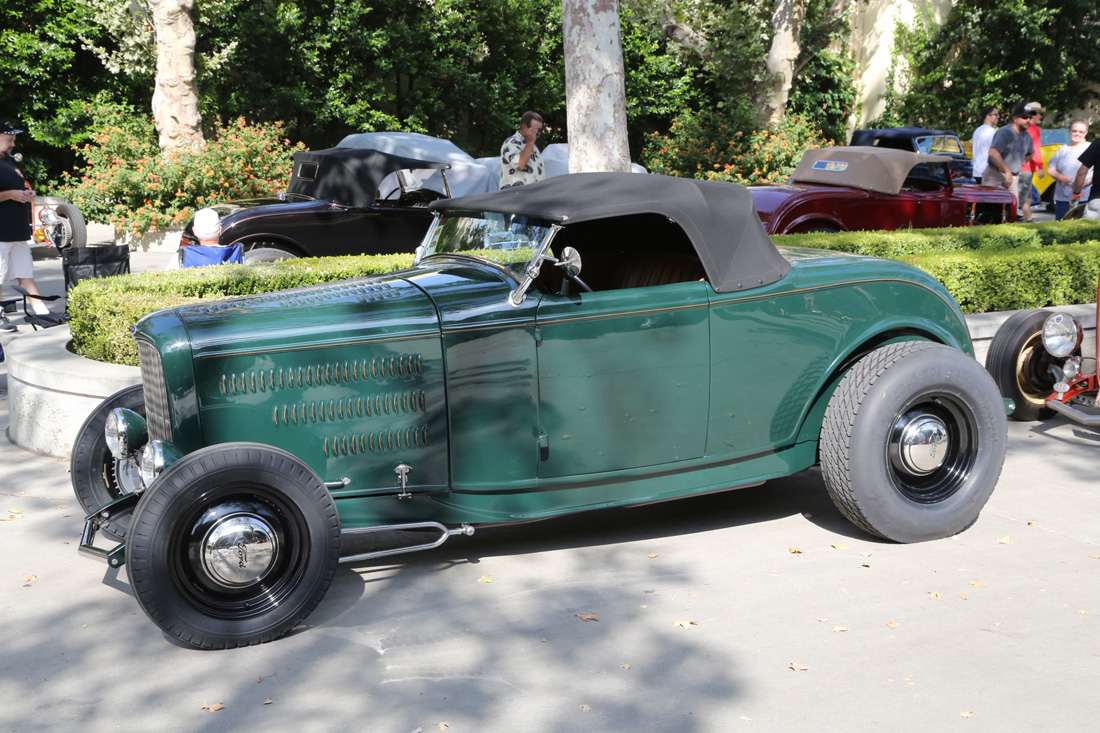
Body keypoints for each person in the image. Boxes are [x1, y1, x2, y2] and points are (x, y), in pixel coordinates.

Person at [0, 120, 49, 333]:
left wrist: (28, 193)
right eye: (9, 139)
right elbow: (8, 192)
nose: (13, 144)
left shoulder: (10, 161)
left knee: (25, 272)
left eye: (13, 140)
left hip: (17, 231)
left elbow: (18, 186)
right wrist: (10, 195)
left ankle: (42, 312)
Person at [982, 104, 1035, 210]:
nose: (1028, 120)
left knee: (1011, 211)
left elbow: (1031, 153)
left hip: (1013, 178)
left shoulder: (1027, 137)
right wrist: (1007, 170)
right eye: (1025, 117)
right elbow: (993, 153)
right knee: (990, 210)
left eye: (1030, 117)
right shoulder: (1005, 132)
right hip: (995, 175)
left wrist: (1021, 163)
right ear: (1015, 118)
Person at [1046, 119, 1092, 220]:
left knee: (1083, 228)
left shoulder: (1090, 147)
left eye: (1081, 132)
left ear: (1086, 133)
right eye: (1074, 131)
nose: (1077, 134)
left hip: (1085, 196)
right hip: (1063, 196)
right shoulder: (1063, 149)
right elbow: (1050, 169)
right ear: (1069, 131)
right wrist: (1061, 178)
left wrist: (1089, 179)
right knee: (1062, 225)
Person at [500, 111, 545, 189]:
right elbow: (520, 165)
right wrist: (531, 142)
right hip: (515, 196)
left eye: (541, 130)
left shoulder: (532, 145)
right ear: (524, 128)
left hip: (533, 194)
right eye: (536, 130)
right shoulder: (511, 143)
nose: (539, 133)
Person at [1018, 102, 1046, 222]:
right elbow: (1034, 150)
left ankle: (1027, 220)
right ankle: (1029, 222)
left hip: (1021, 166)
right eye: (1039, 114)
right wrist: (1041, 167)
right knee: (1023, 197)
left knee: (1026, 197)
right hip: (1026, 168)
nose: (1041, 117)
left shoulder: (1021, 128)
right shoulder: (1033, 129)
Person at [1072, 130, 1100, 220]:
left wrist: (1076, 194)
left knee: (1093, 232)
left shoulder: (1098, 143)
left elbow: (1082, 172)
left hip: (1097, 199)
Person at [971, 105, 1000, 180]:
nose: (998, 117)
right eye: (995, 115)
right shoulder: (992, 132)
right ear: (988, 116)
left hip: (977, 172)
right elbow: (996, 152)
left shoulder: (977, 131)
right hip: (988, 173)